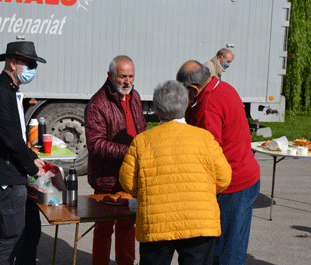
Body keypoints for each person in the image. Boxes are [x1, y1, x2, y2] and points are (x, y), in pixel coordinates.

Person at [119, 80, 232, 265]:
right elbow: (224, 179)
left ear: (157, 110)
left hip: (156, 222)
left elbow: (128, 182)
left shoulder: (142, 141)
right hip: (199, 221)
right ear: (186, 105)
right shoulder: (205, 138)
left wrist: (144, 192)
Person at [176, 60, 261, 265]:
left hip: (233, 185)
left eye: (183, 92)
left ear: (194, 89)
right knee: (232, 246)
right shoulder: (221, 87)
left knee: (227, 254)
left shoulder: (209, 108)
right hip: (244, 175)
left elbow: (208, 155)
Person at [0, 41, 47, 265]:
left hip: (15, 173)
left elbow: (17, 135)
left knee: (31, 229)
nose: (33, 69)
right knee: (11, 237)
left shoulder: (10, 89)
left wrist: (33, 157)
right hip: (7, 176)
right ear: (13, 63)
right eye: (30, 64)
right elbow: (12, 139)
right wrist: (33, 166)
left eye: (35, 65)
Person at [85, 55, 147, 265]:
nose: (127, 81)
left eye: (131, 76)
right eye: (122, 77)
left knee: (128, 225)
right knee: (104, 227)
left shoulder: (135, 96)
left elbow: (142, 127)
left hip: (131, 175)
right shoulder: (97, 104)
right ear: (110, 75)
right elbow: (95, 144)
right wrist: (129, 151)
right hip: (107, 177)